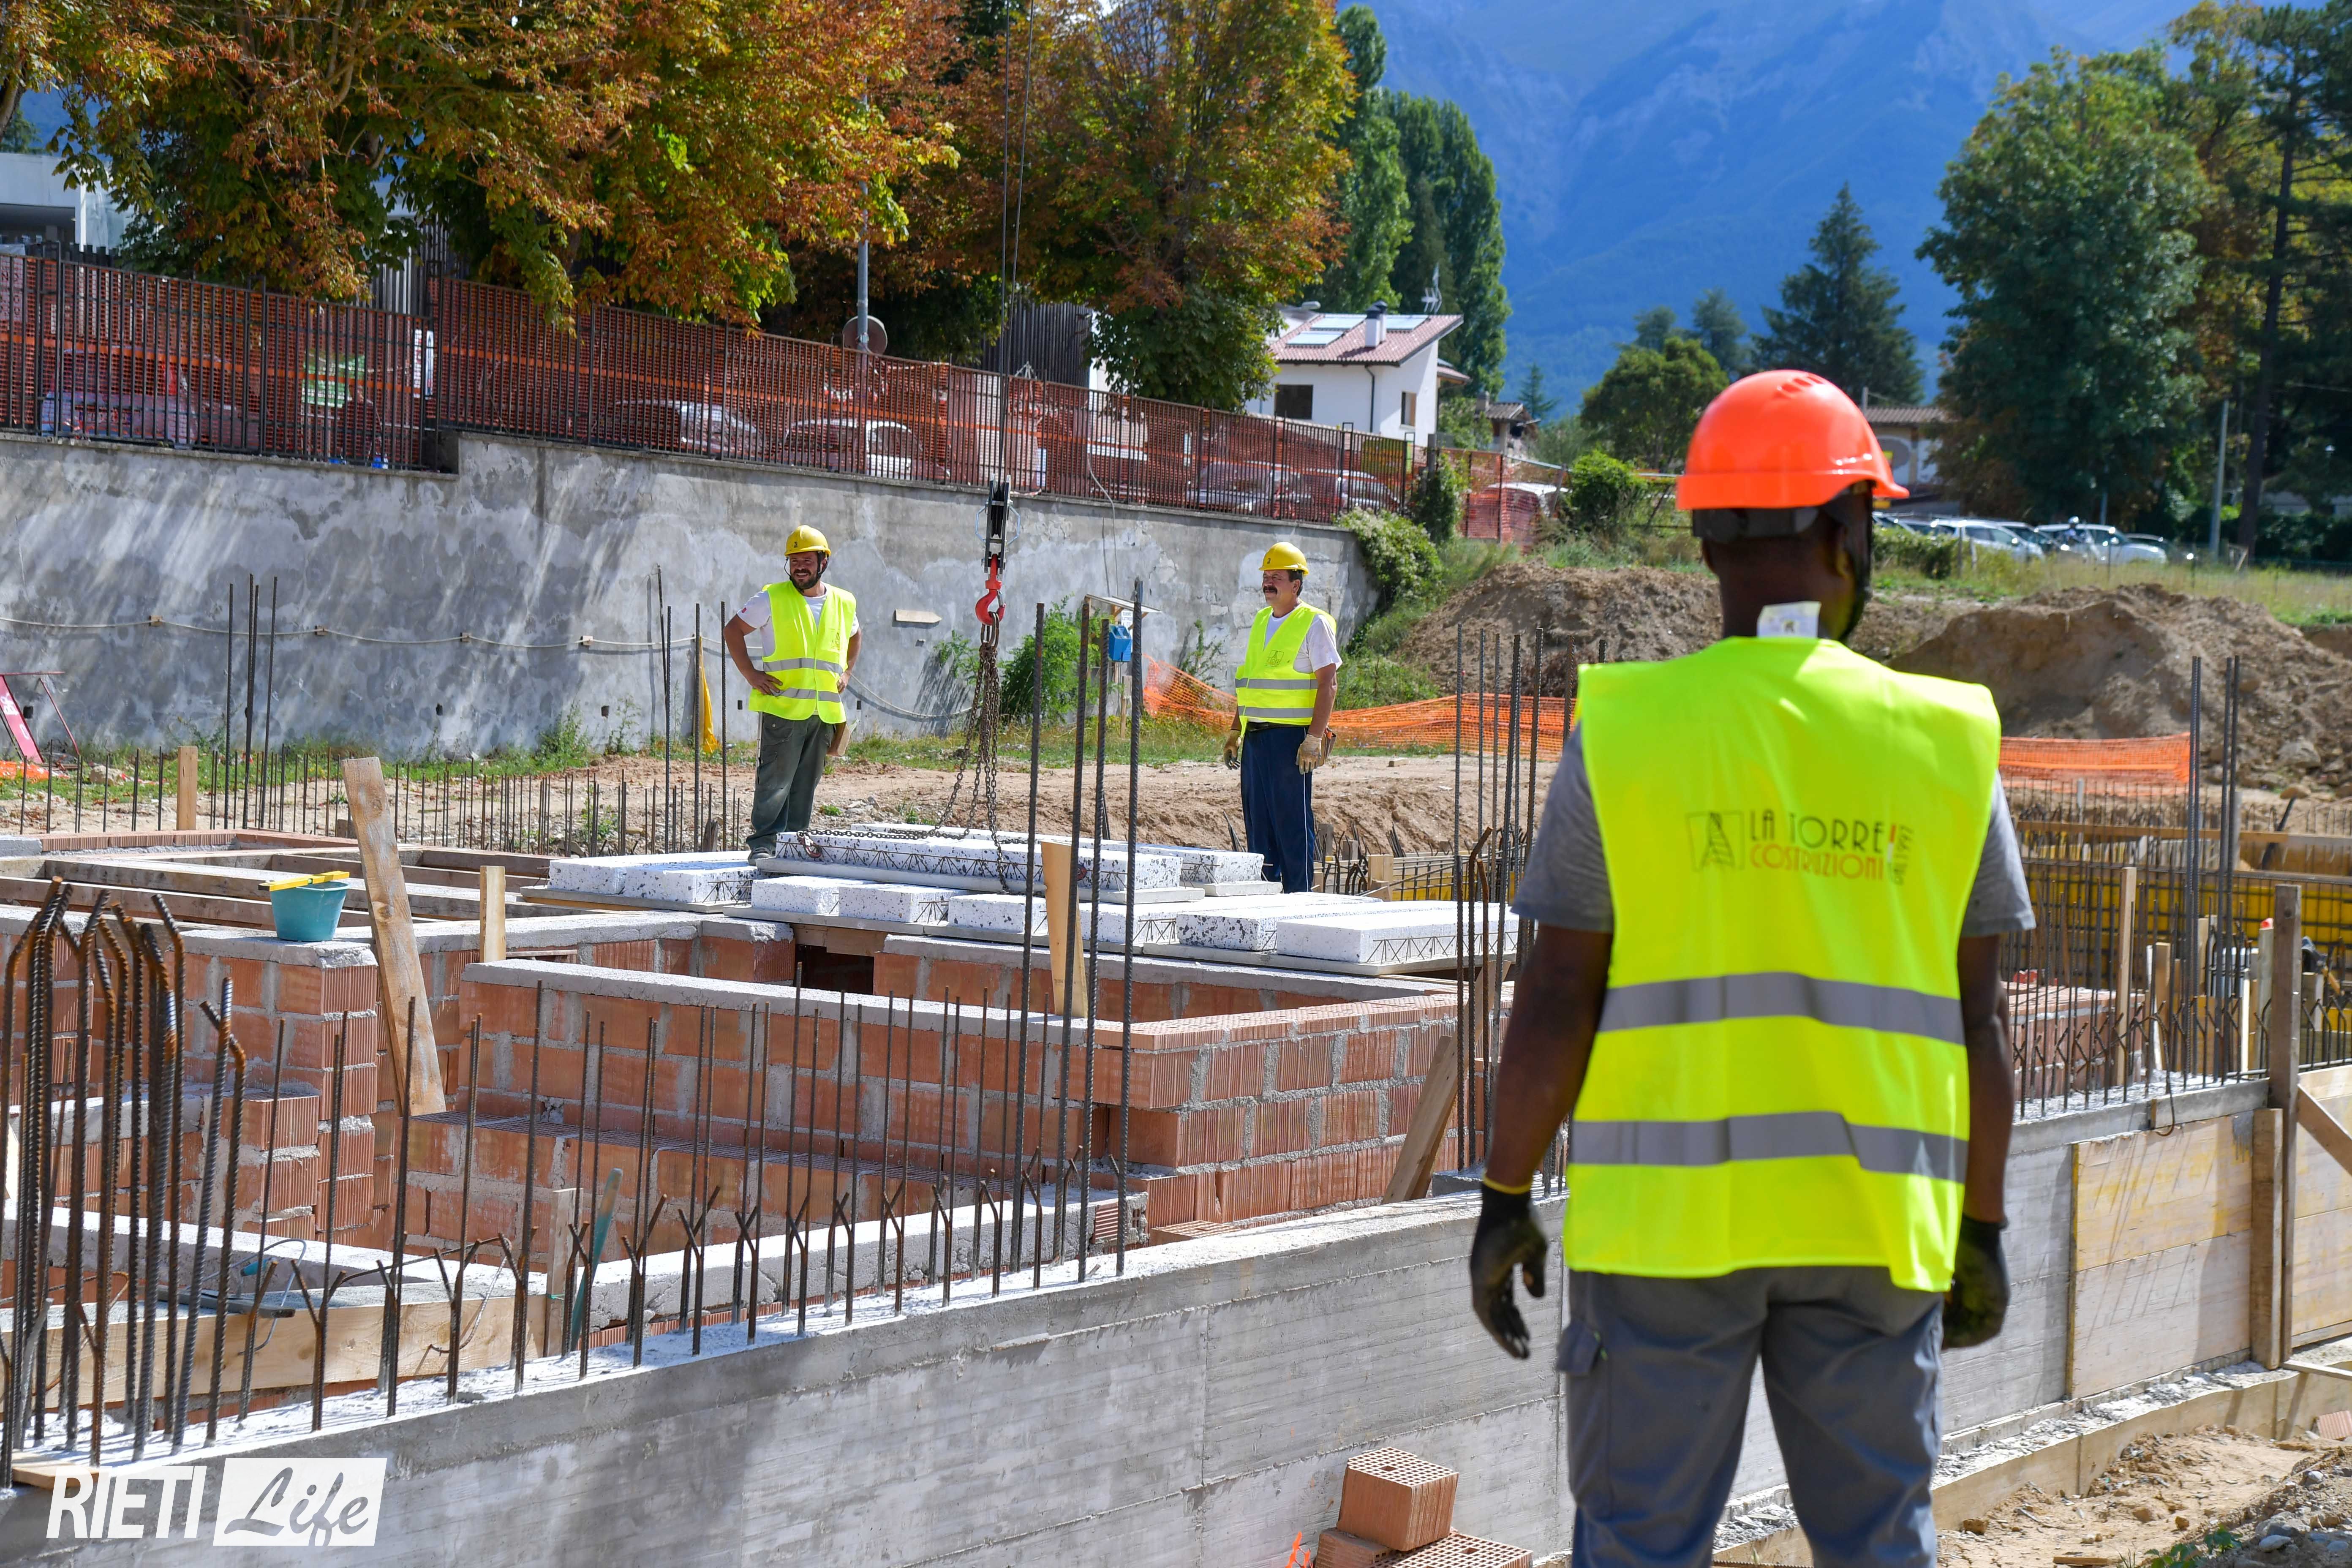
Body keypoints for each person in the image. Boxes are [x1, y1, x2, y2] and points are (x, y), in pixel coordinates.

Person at [1466, 370, 2033, 1568]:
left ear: (1706, 538)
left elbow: (1557, 996)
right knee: (1879, 1544)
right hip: (1873, 1227)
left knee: (1638, 1544)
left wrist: (1505, 1196)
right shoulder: (1946, 742)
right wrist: (1980, 1225)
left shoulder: (1629, 733)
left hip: (1665, 1234)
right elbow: (1976, 1023)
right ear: (1846, 533)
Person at [724, 525, 860, 856]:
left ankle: (793, 845)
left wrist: (847, 672)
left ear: (823, 562)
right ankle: (765, 845)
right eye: (794, 561)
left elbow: (856, 635)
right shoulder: (771, 598)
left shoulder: (844, 602)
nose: (800, 568)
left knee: (805, 784)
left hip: (824, 713)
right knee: (775, 781)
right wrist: (750, 674)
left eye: (807, 561)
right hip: (783, 709)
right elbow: (733, 630)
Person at [1222, 542, 1340, 892]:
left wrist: (1314, 739)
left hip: (1292, 741)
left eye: (1276, 577)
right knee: (1259, 825)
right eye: (1266, 576)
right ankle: (1266, 896)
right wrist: (1235, 730)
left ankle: (1298, 897)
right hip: (1256, 739)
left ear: (1296, 584)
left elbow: (1329, 684)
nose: (1268, 583)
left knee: (1292, 824)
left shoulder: (1314, 623)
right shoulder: (1261, 621)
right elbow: (1252, 683)